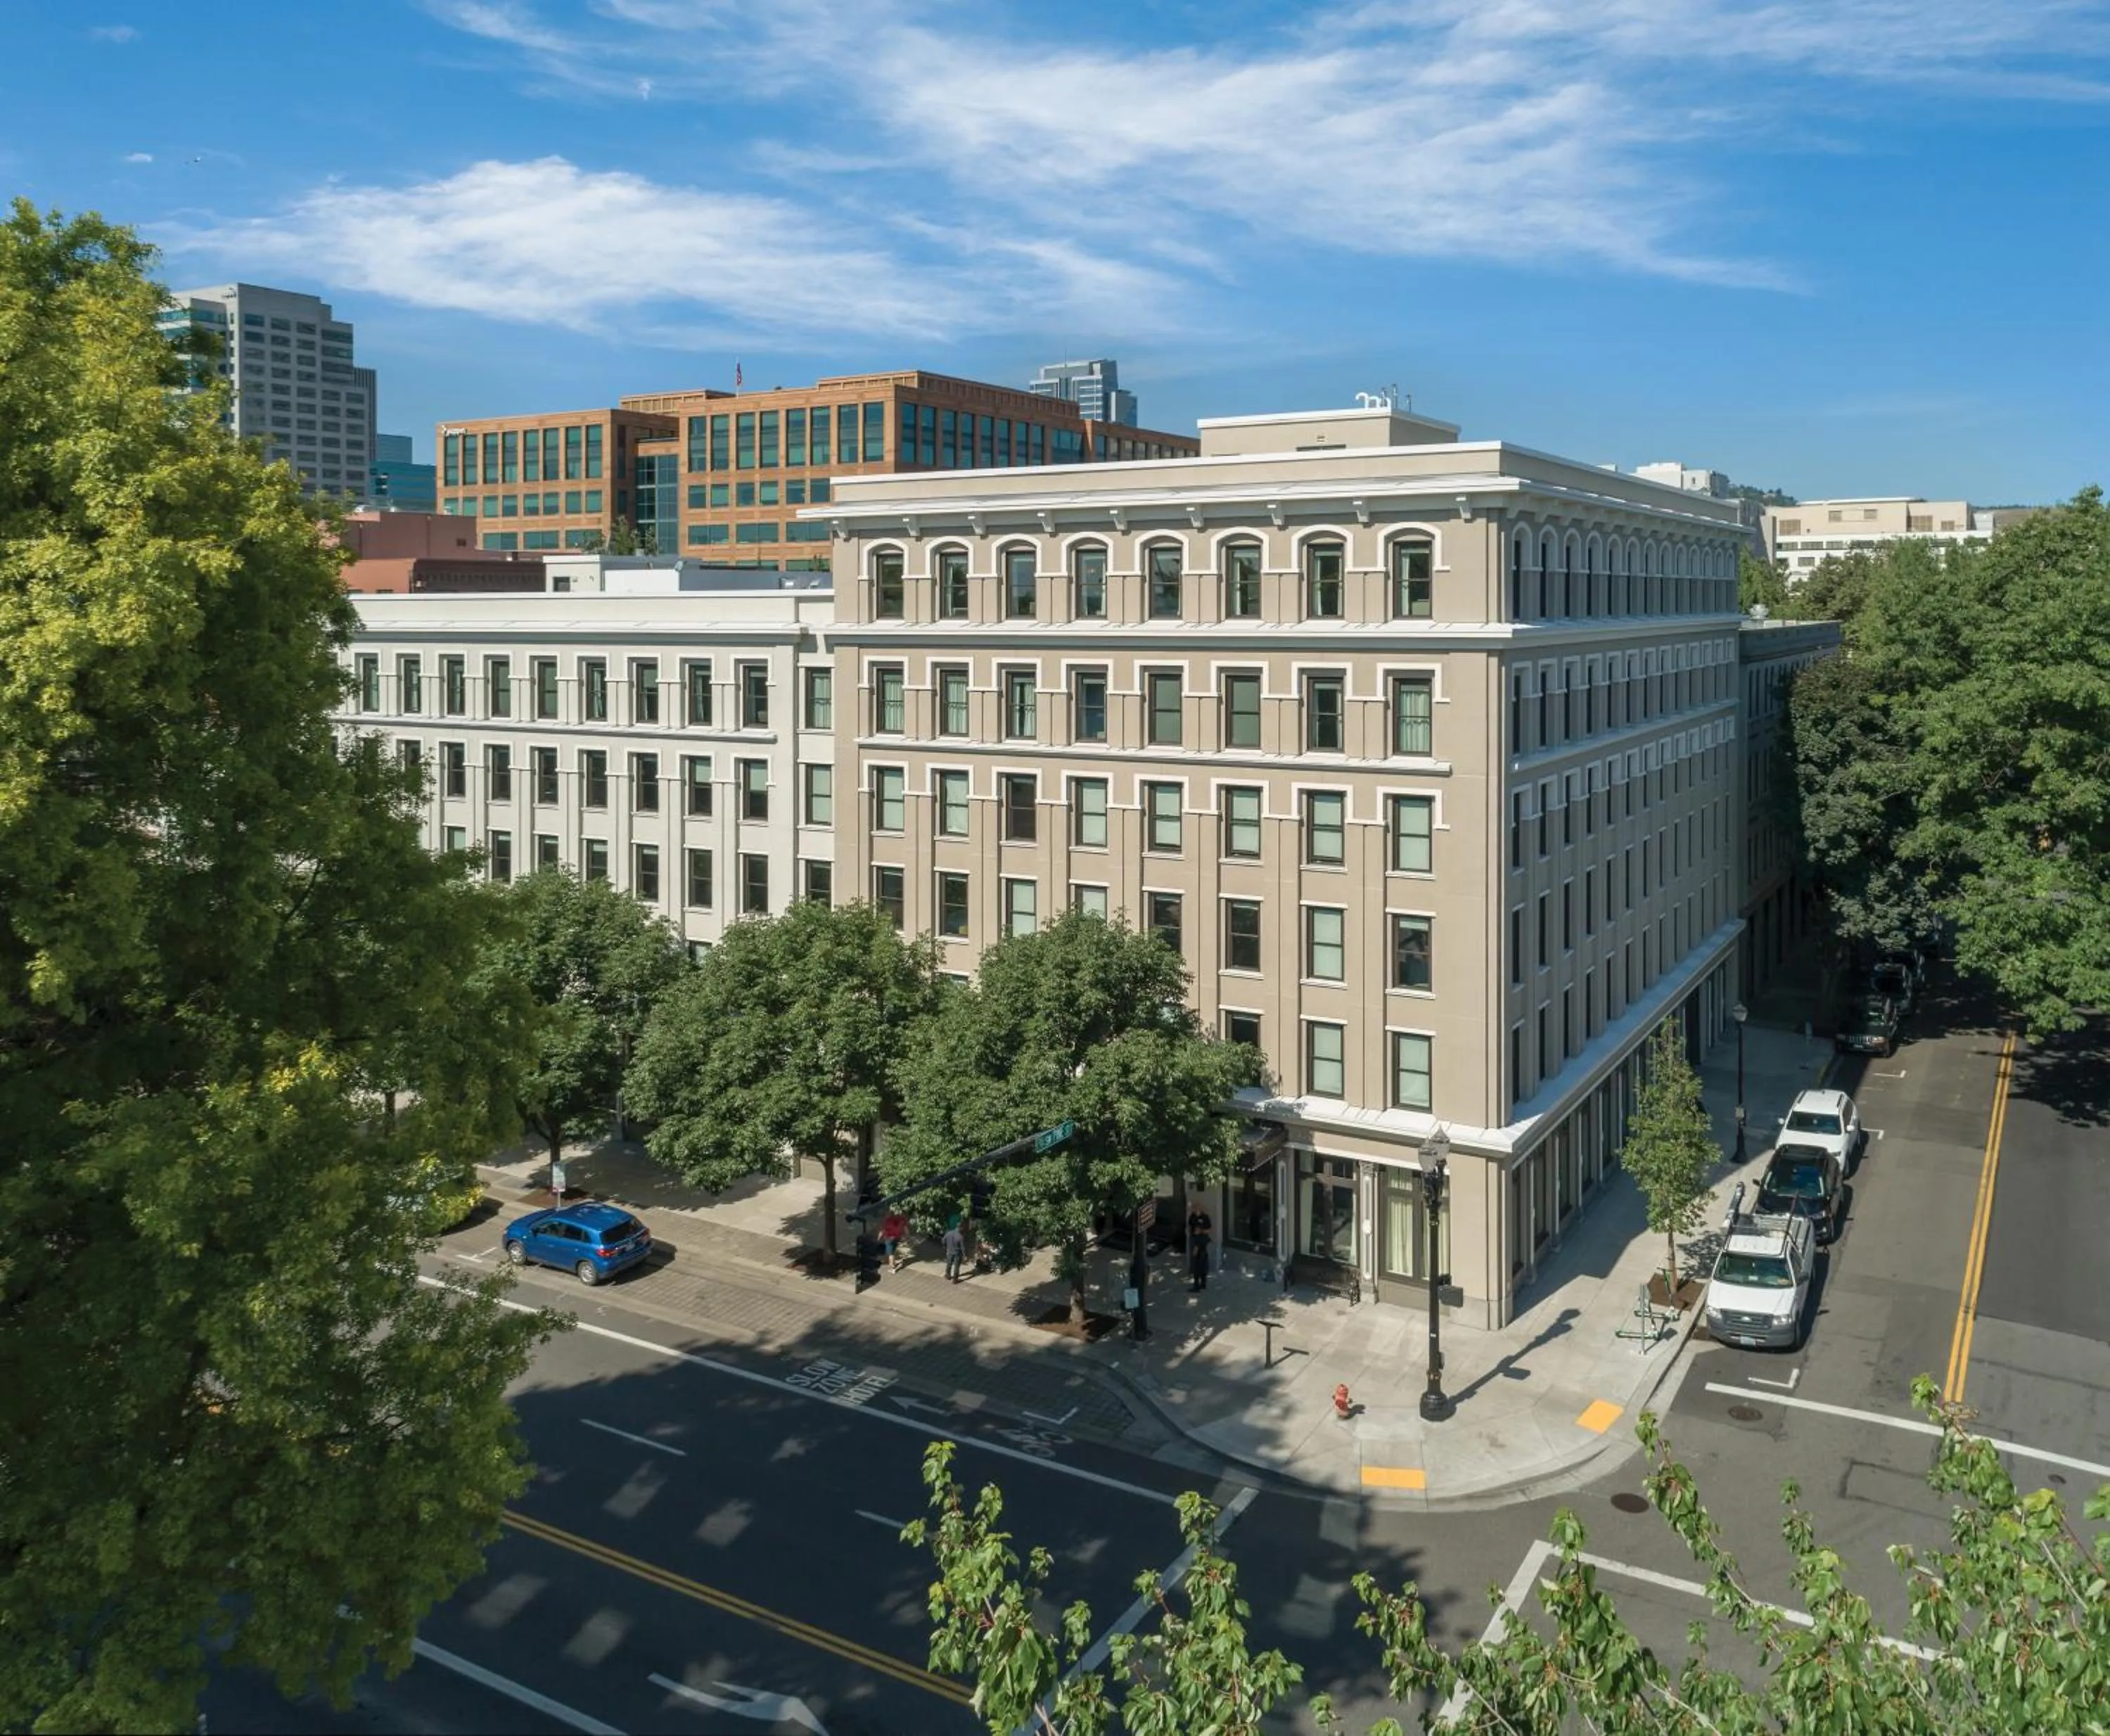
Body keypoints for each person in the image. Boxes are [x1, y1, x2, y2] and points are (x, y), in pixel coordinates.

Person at [1187, 1202, 1213, 1294]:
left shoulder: (1205, 1217)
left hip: (1202, 1243)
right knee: (1197, 1264)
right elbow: (1190, 1228)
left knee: (1200, 1264)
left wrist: (1201, 1231)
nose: (1194, 1210)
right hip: (1195, 1241)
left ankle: (1200, 1284)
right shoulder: (1192, 1217)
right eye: (1193, 1208)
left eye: (1195, 1208)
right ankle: (1198, 1283)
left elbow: (1209, 1229)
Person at [879, 1208, 908, 1274]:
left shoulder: (886, 1221)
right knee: (893, 1250)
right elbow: (905, 1228)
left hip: (889, 1239)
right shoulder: (898, 1219)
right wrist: (906, 1236)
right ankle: (894, 1262)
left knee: (890, 1254)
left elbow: (882, 1231)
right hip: (897, 1238)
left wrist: (879, 1238)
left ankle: (892, 1268)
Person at [942, 1213, 966, 1284]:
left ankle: (947, 1275)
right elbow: (962, 1248)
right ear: (960, 1228)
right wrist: (965, 1255)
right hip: (957, 1253)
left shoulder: (949, 1233)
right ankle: (955, 1280)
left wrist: (946, 1247)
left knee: (949, 1264)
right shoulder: (960, 1237)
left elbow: (943, 1240)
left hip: (949, 1251)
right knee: (956, 1266)